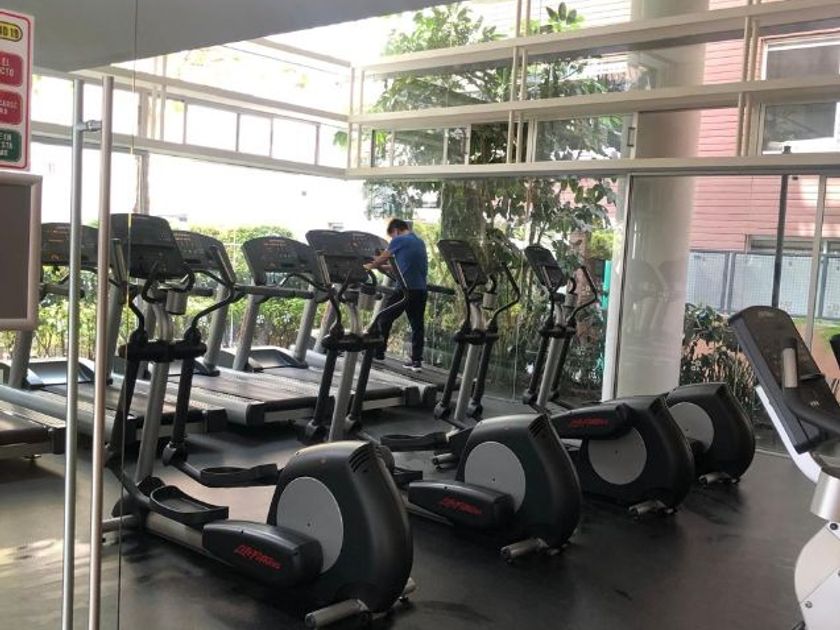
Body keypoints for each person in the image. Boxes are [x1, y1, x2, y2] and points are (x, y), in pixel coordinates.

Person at [364, 218, 429, 371]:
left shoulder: (399, 240)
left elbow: (382, 259)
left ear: (396, 230)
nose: (392, 239)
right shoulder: (419, 242)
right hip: (420, 289)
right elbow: (399, 266)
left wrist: (367, 266)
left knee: (384, 319)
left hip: (405, 289)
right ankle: (416, 361)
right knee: (417, 326)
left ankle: (378, 353)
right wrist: (379, 266)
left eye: (392, 236)